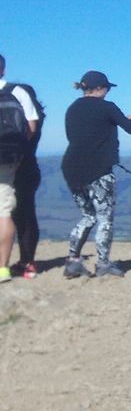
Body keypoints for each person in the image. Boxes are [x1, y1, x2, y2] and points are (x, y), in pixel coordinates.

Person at [61, 70, 131, 279]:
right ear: (100, 88)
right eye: (106, 88)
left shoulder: (72, 109)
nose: (107, 91)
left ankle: (72, 261)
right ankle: (103, 263)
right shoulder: (107, 108)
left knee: (88, 216)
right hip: (99, 170)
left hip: (71, 168)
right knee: (105, 218)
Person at [0, 54, 40, 283]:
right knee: (9, 212)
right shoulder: (18, 92)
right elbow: (32, 126)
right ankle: (9, 266)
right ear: (3, 69)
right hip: (12, 160)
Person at [12, 82, 45, 279]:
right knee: (27, 216)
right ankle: (27, 261)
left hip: (8, 168)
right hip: (28, 169)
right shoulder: (36, 120)